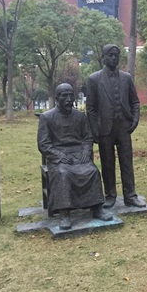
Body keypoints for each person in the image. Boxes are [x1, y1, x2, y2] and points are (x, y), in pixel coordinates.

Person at [38, 83, 112, 230]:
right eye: (64, 96)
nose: (68, 99)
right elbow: (44, 144)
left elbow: (87, 137)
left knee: (92, 171)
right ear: (57, 97)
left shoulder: (80, 116)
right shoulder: (47, 117)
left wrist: (85, 152)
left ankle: (97, 208)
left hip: (79, 153)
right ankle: (64, 213)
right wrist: (59, 156)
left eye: (71, 95)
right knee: (63, 174)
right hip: (58, 156)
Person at [86, 44, 146, 208]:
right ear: (103, 57)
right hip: (105, 128)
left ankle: (130, 195)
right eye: (110, 55)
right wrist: (94, 130)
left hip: (124, 127)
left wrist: (135, 120)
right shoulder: (94, 79)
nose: (114, 58)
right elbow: (90, 108)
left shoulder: (126, 78)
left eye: (116, 55)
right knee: (107, 163)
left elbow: (135, 102)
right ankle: (110, 195)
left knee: (127, 162)